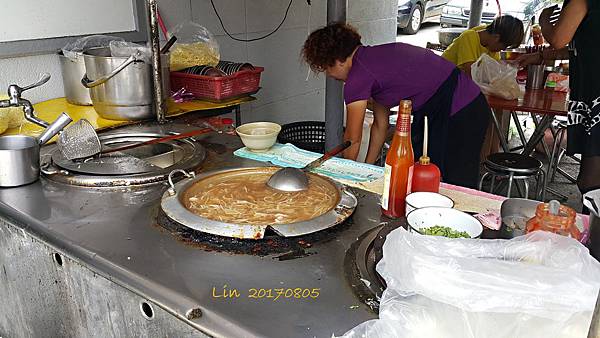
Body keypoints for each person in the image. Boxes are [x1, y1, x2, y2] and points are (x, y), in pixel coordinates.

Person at [301, 23, 491, 188]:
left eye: (327, 68)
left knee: (455, 180)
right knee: (424, 174)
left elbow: (353, 138)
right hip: (454, 106)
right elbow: (380, 126)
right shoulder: (374, 61)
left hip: (462, 109)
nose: (330, 75)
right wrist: (368, 169)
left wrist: (345, 179)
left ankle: (465, 224)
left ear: (338, 60)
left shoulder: (358, 78)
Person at [517, 0, 599, 206]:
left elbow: (558, 39)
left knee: (590, 181)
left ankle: (592, 233)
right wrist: (541, 56)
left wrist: (545, 20)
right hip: (591, 95)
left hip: (596, 96)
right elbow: (577, 47)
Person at [442, 15, 525, 77]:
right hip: (441, 82)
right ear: (496, 37)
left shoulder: (490, 43)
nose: (502, 50)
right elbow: (471, 74)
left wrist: (509, 65)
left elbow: (493, 67)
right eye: (504, 46)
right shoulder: (469, 37)